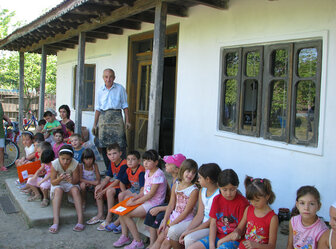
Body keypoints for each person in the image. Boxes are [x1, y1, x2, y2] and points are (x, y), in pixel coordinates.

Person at [113, 150, 167, 249]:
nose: (145, 163)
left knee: (126, 213)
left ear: (156, 162)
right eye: (144, 160)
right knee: (122, 211)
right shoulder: (147, 172)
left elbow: (150, 195)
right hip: (146, 200)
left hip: (154, 203)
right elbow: (145, 191)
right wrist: (135, 198)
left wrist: (134, 203)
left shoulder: (158, 174)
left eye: (149, 161)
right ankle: (125, 237)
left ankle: (138, 241)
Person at [189, 169, 249, 249]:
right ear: (219, 187)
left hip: (234, 240)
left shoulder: (242, 203)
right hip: (218, 236)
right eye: (225, 189)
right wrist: (211, 245)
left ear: (237, 186)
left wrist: (221, 241)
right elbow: (213, 224)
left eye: (232, 189)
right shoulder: (217, 199)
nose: (228, 193)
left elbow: (239, 231)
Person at [151, 159, 199, 249]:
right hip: (174, 216)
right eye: (188, 171)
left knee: (165, 244)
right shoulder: (176, 184)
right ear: (182, 170)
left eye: (193, 173)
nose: (190, 175)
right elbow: (171, 204)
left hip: (186, 219)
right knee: (159, 239)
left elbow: (186, 212)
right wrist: (165, 221)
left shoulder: (194, 190)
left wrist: (170, 225)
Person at [144, 153, 186, 247]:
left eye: (169, 163)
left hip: (177, 210)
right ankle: (152, 242)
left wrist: (160, 209)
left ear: (176, 169)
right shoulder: (173, 179)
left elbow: (176, 205)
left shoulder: (179, 183)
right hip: (170, 205)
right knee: (151, 213)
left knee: (159, 216)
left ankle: (156, 243)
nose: (165, 165)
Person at [92, 68, 131, 169]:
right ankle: (109, 169)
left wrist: (127, 121)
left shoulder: (120, 88)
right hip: (103, 119)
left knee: (120, 144)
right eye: (106, 77)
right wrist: (94, 124)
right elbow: (97, 108)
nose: (108, 79)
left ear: (114, 78)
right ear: (103, 78)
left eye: (110, 77)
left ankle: (121, 169)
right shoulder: (100, 90)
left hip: (117, 117)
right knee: (104, 146)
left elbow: (125, 105)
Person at [229, 176, 278, 249]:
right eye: (251, 200)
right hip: (245, 246)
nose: (253, 203)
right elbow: (240, 228)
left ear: (267, 196)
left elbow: (272, 246)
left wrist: (256, 245)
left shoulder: (272, 218)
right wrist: (236, 232)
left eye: (257, 200)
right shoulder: (248, 209)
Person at [180, 163, 221, 248]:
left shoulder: (218, 194)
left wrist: (191, 231)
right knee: (181, 234)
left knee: (189, 238)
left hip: (211, 227)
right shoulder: (202, 190)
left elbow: (211, 221)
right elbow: (199, 215)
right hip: (202, 224)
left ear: (208, 179)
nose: (198, 180)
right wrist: (188, 230)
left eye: (200, 178)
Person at [87, 142, 128, 230]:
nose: (112, 156)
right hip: (115, 184)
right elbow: (108, 177)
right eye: (109, 154)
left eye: (114, 153)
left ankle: (109, 217)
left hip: (123, 186)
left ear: (120, 153)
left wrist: (104, 191)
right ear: (107, 155)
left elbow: (117, 181)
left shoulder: (124, 164)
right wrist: (101, 186)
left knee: (109, 191)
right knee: (98, 187)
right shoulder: (112, 162)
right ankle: (100, 215)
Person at [105, 150, 145, 233]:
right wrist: (123, 192)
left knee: (126, 198)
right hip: (133, 189)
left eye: (133, 159)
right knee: (121, 195)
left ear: (139, 161)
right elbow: (122, 182)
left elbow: (142, 189)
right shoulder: (128, 169)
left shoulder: (141, 171)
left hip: (140, 191)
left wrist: (129, 196)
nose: (130, 161)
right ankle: (122, 221)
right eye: (128, 159)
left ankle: (119, 222)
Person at [48, 144, 84, 234]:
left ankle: (80, 220)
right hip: (58, 183)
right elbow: (52, 182)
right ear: (59, 157)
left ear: (71, 158)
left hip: (69, 183)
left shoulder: (75, 163)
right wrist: (59, 179)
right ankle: (55, 222)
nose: (65, 161)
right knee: (58, 190)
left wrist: (71, 180)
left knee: (75, 190)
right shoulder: (55, 163)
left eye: (68, 159)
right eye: (63, 159)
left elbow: (76, 181)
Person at [0, 102, 11, 171]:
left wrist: (8, 119)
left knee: (1, 149)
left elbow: (2, 114)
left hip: (0, 130)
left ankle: (1, 166)